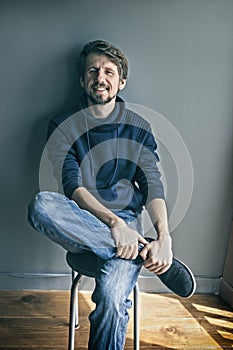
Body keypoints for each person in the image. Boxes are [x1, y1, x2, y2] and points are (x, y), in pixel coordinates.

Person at [28, 40, 196, 350]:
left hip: (128, 225)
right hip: (81, 222)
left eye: (109, 71)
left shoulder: (138, 127)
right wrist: (114, 225)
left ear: (121, 81)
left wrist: (165, 236)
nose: (100, 77)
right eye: (93, 70)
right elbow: (71, 186)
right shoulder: (62, 125)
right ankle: (143, 250)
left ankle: (137, 246)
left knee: (114, 297)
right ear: (83, 80)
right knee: (41, 206)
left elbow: (152, 185)